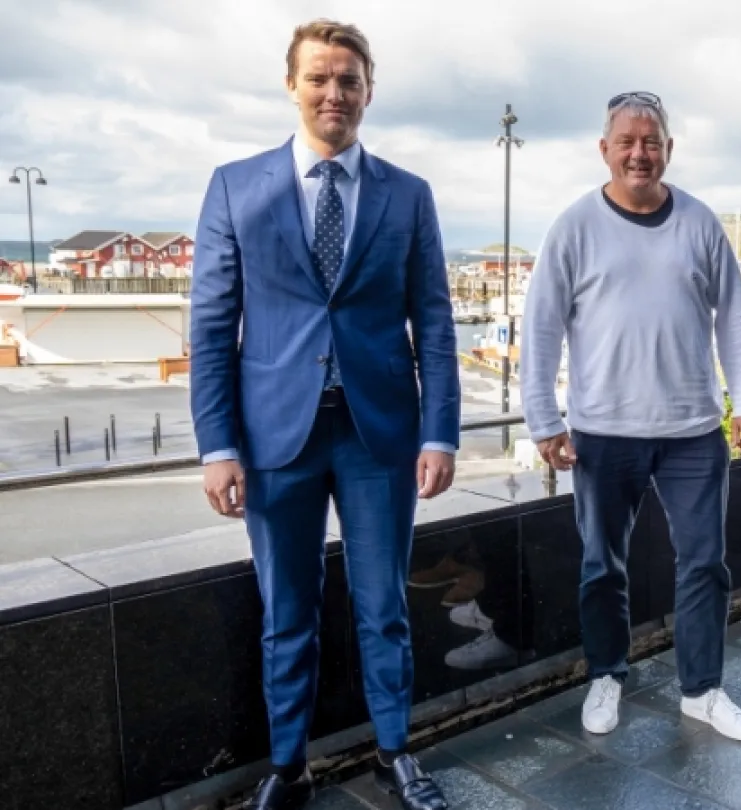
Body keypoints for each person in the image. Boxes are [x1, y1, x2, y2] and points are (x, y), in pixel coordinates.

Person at [189, 18, 459, 810]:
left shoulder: (408, 196)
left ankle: (396, 752)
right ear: (292, 86)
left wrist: (439, 430)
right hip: (276, 438)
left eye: (349, 79)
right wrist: (216, 445)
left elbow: (435, 324)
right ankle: (288, 765)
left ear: (368, 90)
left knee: (385, 608)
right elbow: (209, 327)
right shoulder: (236, 187)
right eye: (319, 78)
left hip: (380, 438)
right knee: (287, 611)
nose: (334, 92)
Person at [520, 91, 741, 743]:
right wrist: (544, 417)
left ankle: (702, 689)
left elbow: (736, 318)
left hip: (692, 434)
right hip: (603, 435)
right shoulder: (574, 227)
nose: (640, 152)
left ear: (668, 149)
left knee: (705, 563)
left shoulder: (700, 223)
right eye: (627, 141)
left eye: (651, 141)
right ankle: (607, 674)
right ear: (605, 149)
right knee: (602, 564)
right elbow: (542, 327)